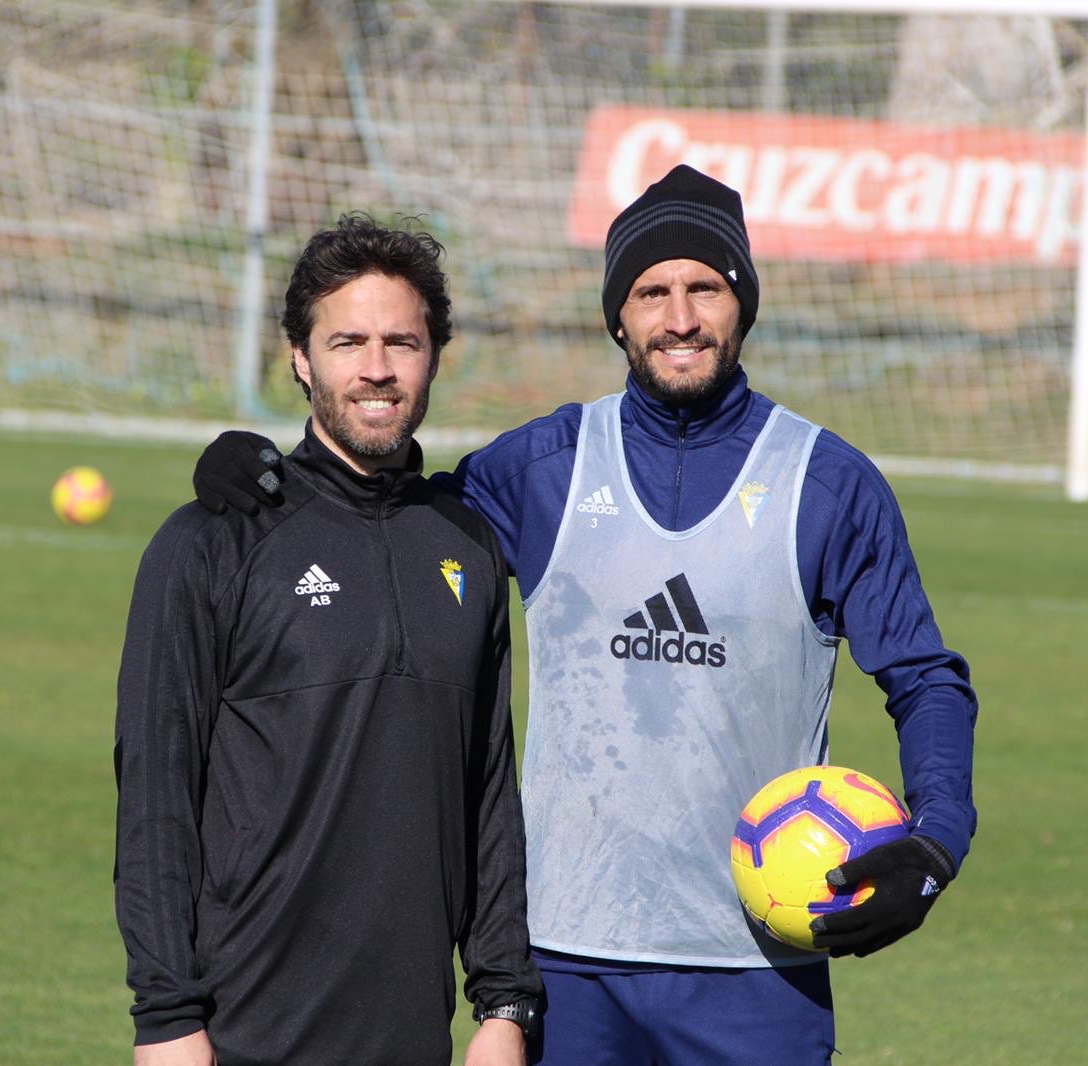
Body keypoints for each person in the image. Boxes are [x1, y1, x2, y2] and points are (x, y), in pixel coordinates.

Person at [192, 167, 978, 1064]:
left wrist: (937, 838)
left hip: (759, 965)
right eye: (651, 292)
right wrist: (262, 474)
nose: (679, 317)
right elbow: (384, 518)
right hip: (566, 966)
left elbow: (925, 680)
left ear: (743, 304)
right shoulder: (544, 467)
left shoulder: (828, 484)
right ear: (617, 316)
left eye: (704, 289)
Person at [114, 213, 543, 1066]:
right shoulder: (213, 541)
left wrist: (505, 1004)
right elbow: (156, 791)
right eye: (348, 342)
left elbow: (487, 788)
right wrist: (166, 1020)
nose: (377, 370)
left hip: (415, 1039)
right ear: (302, 358)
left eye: (402, 343)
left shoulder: (467, 544)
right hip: (242, 1036)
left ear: (434, 357)